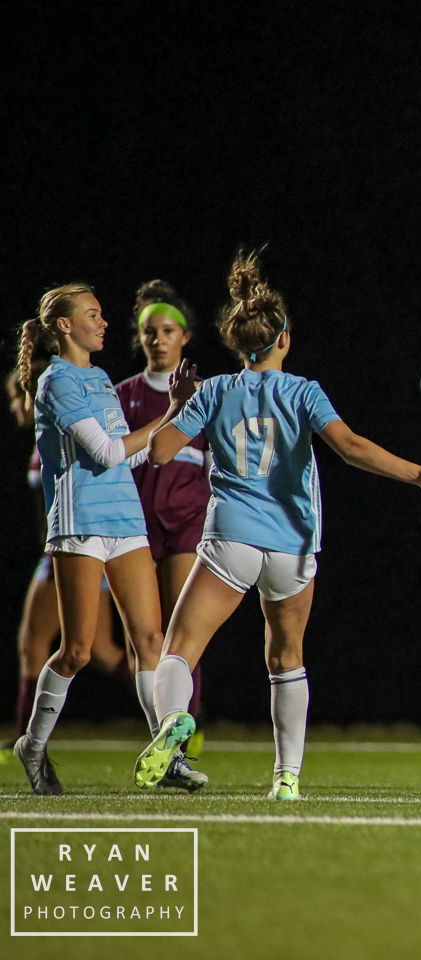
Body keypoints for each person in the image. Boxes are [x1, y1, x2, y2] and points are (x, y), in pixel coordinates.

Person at [135, 253, 421, 800]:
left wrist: (176, 405)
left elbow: (161, 453)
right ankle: (286, 778)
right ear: (283, 339)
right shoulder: (304, 392)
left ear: (238, 346)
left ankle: (174, 719)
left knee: (180, 649)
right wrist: (419, 474)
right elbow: (350, 448)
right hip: (292, 544)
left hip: (230, 539)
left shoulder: (212, 390)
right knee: (286, 657)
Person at [12, 285, 167, 795]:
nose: (104, 323)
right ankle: (32, 745)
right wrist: (166, 420)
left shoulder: (101, 378)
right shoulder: (56, 382)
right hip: (81, 525)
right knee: (77, 651)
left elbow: (132, 454)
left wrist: (178, 423)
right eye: (93, 315)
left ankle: (166, 751)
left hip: (127, 522)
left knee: (149, 641)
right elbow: (104, 452)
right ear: (63, 326)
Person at [5, 364, 129, 751]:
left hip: (71, 545)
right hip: (71, 547)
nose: (13, 406)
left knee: (35, 643)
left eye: (16, 395)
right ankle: (176, 706)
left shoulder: (58, 431)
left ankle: (26, 737)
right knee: (101, 652)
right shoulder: (42, 442)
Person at [115, 281, 209, 752]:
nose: (158, 339)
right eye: (149, 332)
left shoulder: (204, 394)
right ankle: (163, 735)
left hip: (189, 523)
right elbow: (114, 459)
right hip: (136, 525)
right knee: (144, 638)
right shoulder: (122, 395)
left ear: (185, 336)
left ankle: (183, 732)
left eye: (167, 330)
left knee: (183, 629)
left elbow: (216, 463)